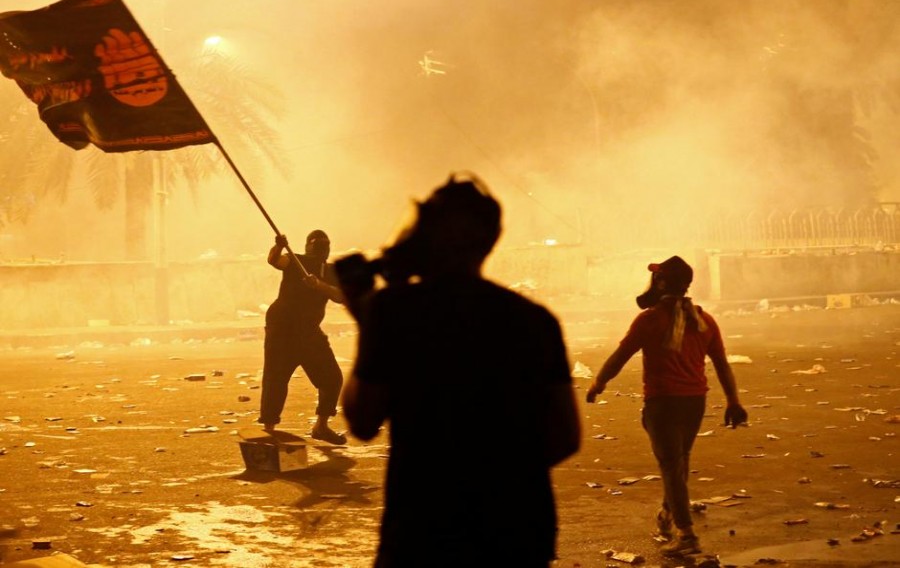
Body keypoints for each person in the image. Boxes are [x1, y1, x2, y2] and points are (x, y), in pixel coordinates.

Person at [337, 174, 581, 568]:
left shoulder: (395, 310)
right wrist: (500, 474)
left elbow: (362, 421)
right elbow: (566, 437)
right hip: (520, 528)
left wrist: (366, 321)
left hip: (424, 530)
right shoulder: (535, 321)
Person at [586, 255, 748, 557]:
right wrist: (733, 401)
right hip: (694, 403)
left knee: (672, 467)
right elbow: (723, 366)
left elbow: (620, 356)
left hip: (663, 405)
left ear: (661, 282)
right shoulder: (704, 321)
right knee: (679, 464)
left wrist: (598, 383)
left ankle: (686, 535)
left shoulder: (650, 320)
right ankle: (667, 513)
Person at [257, 229, 348, 445]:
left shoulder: (331, 270)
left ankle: (321, 426)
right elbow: (274, 260)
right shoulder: (295, 260)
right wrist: (279, 244)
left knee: (332, 378)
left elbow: (340, 296)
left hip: (309, 332)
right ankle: (269, 430)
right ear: (308, 245)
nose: (321, 249)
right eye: (317, 244)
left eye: (325, 245)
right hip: (282, 330)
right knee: (275, 379)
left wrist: (319, 285)